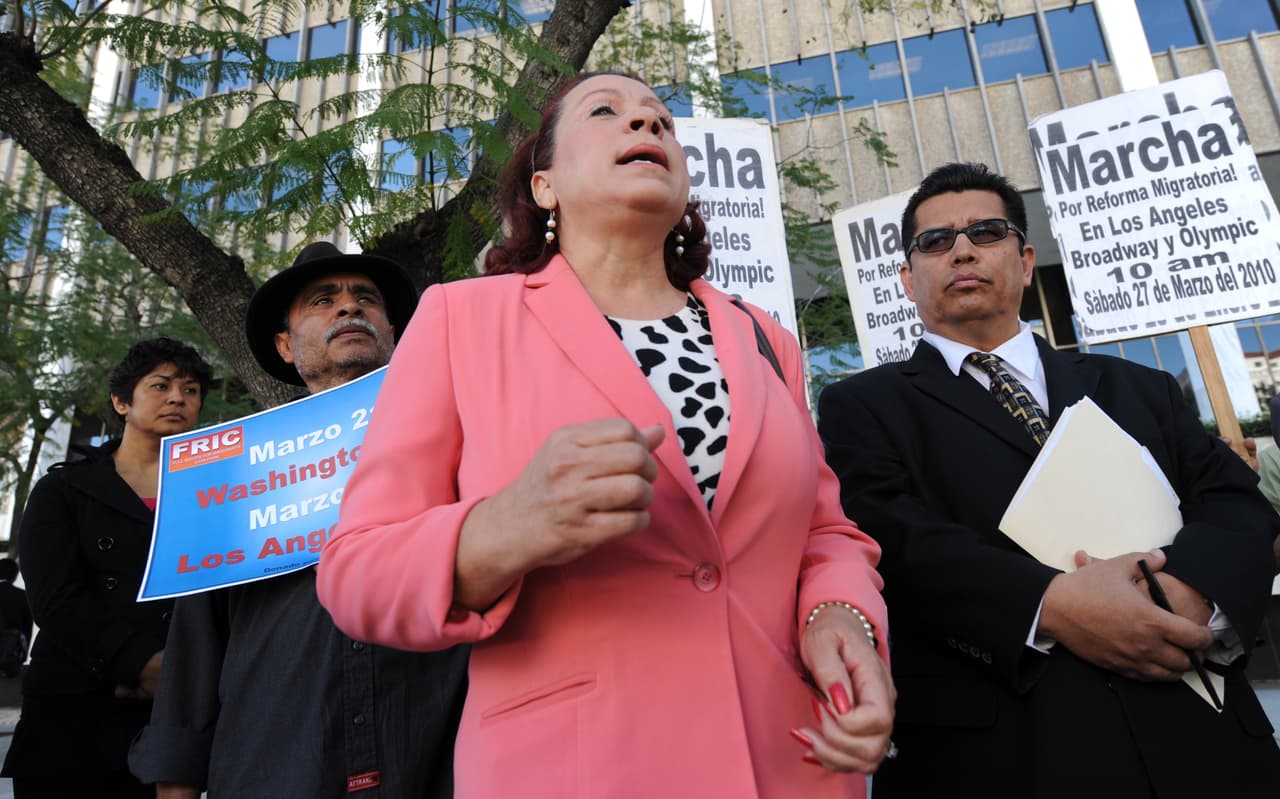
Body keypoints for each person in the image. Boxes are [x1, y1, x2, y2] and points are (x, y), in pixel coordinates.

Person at [315, 72, 894, 798]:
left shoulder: (766, 337)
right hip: (573, 769)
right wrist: (502, 528)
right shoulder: (460, 319)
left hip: (792, 763)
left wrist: (840, 615)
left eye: (662, 122)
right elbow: (355, 571)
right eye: (607, 112)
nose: (648, 126)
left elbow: (826, 531)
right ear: (545, 184)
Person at [817, 161, 1280, 798]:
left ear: (1027, 259)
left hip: (1205, 741)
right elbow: (894, 540)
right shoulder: (859, 407)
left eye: (985, 231)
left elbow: (1237, 508)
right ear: (907, 277)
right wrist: (1051, 605)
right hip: (1007, 756)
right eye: (935, 241)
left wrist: (1186, 594)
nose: (961, 250)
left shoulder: (1138, 387)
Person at [128, 241, 468, 798]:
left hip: (438, 757)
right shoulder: (229, 467)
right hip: (277, 764)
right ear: (286, 346)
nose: (349, 308)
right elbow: (195, 646)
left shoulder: (462, 433)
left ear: (395, 332)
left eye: (366, 299)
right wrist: (176, 784)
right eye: (322, 300)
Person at [1, 337, 212, 798]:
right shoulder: (63, 490)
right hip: (73, 716)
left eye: (191, 390)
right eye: (161, 385)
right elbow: (54, 600)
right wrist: (141, 662)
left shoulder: (215, 494)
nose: (178, 397)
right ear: (121, 401)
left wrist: (182, 677)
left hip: (170, 717)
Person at [0, 558, 33, 678]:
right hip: (10, 657)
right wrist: (23, 657)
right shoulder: (23, 596)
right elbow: (27, 629)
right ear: (15, 575)